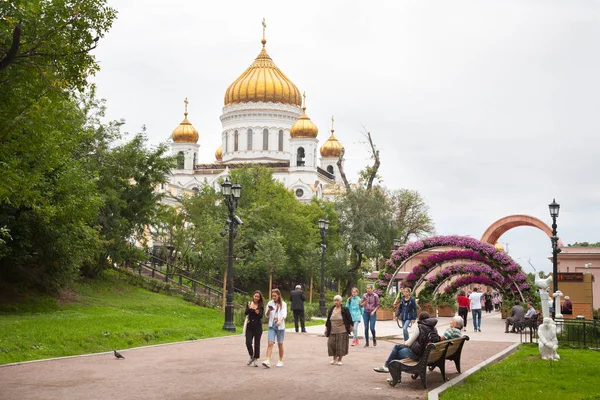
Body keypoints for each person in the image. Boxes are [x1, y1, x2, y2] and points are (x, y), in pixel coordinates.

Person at [372, 312, 439, 373]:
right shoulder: (434, 328)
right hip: (427, 355)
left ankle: (387, 367)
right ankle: (388, 367)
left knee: (398, 351)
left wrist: (406, 342)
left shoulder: (420, 328)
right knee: (397, 347)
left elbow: (408, 344)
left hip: (418, 356)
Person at [325, 295, 353, 365]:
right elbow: (328, 320)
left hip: (342, 330)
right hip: (332, 330)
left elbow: (349, 318)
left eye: (337, 301)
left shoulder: (344, 309)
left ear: (340, 302)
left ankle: (340, 359)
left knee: (340, 345)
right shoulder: (331, 309)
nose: (336, 302)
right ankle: (334, 358)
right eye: (335, 301)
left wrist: (351, 326)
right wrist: (326, 328)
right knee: (331, 344)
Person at [262, 288, 287, 368]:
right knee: (270, 343)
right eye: (272, 296)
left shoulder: (283, 304)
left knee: (280, 343)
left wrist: (280, 320)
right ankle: (267, 360)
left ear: (278, 295)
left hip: (280, 326)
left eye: (275, 296)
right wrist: (269, 310)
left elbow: (284, 314)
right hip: (272, 325)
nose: (273, 297)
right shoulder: (270, 303)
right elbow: (266, 315)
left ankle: (280, 360)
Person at [245, 290, 265, 367]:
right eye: (255, 296)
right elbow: (246, 313)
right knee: (248, 342)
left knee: (257, 343)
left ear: (260, 298)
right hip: (250, 325)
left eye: (258, 297)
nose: (256, 298)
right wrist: (250, 309)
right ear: (253, 296)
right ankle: (251, 356)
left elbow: (261, 316)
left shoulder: (261, 305)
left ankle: (256, 358)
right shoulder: (249, 303)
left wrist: (257, 312)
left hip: (257, 326)